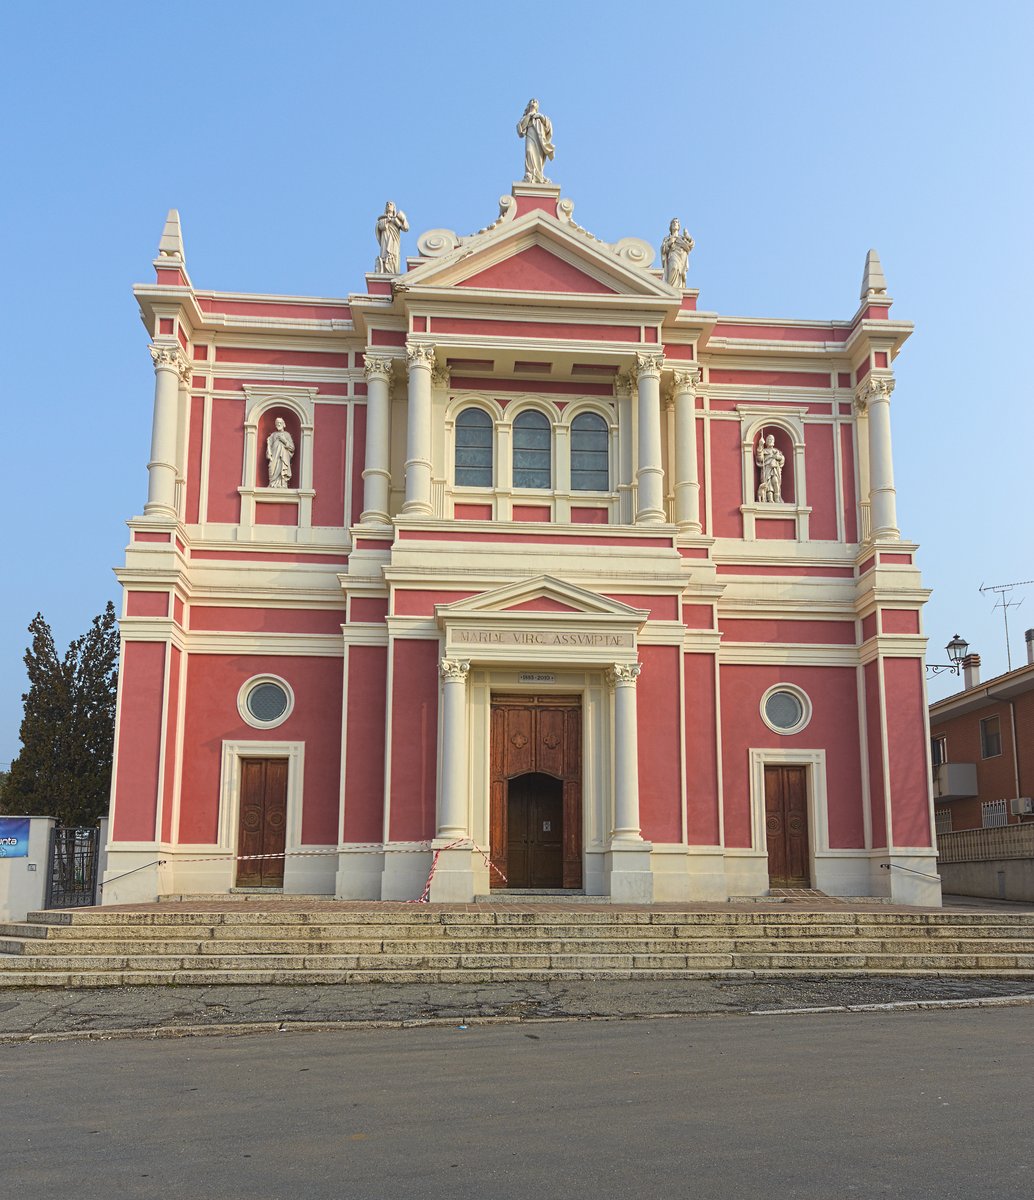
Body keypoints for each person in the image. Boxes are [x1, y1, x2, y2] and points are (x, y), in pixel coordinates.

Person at [516, 99, 555, 184]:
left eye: (536, 101)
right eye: (532, 101)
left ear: (538, 106)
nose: (534, 102)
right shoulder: (525, 117)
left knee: (538, 157)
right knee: (529, 151)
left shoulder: (540, 117)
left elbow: (548, 126)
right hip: (530, 136)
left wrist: (540, 117)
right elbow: (520, 129)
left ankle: (538, 175)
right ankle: (530, 173)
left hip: (539, 139)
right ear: (529, 105)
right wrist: (529, 116)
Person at [374, 201, 409, 274]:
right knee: (385, 256)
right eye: (387, 204)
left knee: (393, 257)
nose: (388, 205)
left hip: (394, 241)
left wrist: (403, 218)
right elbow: (381, 227)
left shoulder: (396, 219)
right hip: (385, 241)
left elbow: (406, 228)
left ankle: (393, 271)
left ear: (394, 208)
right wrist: (387, 220)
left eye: (391, 204)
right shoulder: (382, 219)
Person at [661, 218, 694, 288]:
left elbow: (690, 245)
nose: (675, 223)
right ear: (670, 226)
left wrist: (688, 237)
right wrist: (670, 243)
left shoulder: (682, 238)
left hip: (682, 256)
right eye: (673, 222)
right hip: (673, 254)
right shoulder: (667, 238)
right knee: (674, 267)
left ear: (679, 226)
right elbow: (663, 249)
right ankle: (671, 288)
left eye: (677, 222)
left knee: (681, 274)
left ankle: (679, 288)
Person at [266, 417, 295, 489]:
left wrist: (284, 441)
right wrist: (269, 453)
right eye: (277, 423)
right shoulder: (273, 435)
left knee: (283, 468)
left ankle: (283, 484)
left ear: (283, 424)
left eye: (280, 423)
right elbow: (269, 445)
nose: (278, 424)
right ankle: (272, 484)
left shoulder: (287, 435)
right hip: (274, 457)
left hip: (284, 457)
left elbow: (292, 448)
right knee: (271, 468)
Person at [756, 432, 785, 503]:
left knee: (775, 482)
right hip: (767, 469)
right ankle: (770, 499)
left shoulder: (776, 451)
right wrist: (760, 445)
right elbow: (760, 459)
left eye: (771, 439)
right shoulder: (764, 451)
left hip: (775, 469)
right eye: (769, 439)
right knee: (768, 484)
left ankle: (777, 498)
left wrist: (777, 457)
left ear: (774, 441)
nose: (770, 440)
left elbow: (782, 459)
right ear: (766, 441)